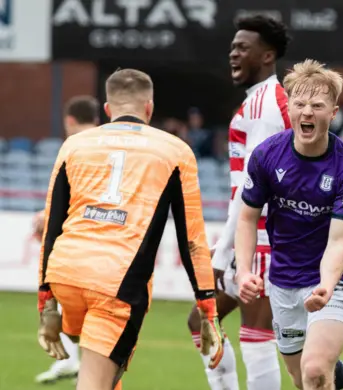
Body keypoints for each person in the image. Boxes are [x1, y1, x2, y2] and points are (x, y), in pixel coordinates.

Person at [36, 68, 225, 390]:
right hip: (116, 284)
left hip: (65, 274)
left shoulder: (74, 144)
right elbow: (191, 237)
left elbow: (52, 226)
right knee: (96, 382)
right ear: (149, 107)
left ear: (107, 110)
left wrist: (45, 303)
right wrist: (209, 308)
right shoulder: (175, 150)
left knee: (109, 375)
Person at [235, 59, 343, 390]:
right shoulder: (267, 155)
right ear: (289, 108)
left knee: (315, 371)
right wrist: (244, 271)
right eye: (299, 104)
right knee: (304, 379)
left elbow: (338, 241)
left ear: (334, 111)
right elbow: (247, 217)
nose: (307, 112)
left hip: (334, 280)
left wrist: (327, 284)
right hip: (284, 280)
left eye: (317, 105)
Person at [186, 15, 291, 390]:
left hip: (266, 238)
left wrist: (221, 256)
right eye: (232, 47)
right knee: (202, 322)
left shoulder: (265, 105)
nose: (233, 53)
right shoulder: (257, 101)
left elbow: (252, 186)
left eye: (243, 47)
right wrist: (227, 245)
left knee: (257, 335)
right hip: (249, 237)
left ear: (268, 55)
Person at [34, 95, 100, 385]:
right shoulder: (108, 144)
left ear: (69, 120)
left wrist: (47, 216)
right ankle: (78, 365)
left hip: (75, 239)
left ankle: (82, 368)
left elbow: (70, 193)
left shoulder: (71, 147)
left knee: (69, 302)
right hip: (107, 240)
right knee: (90, 309)